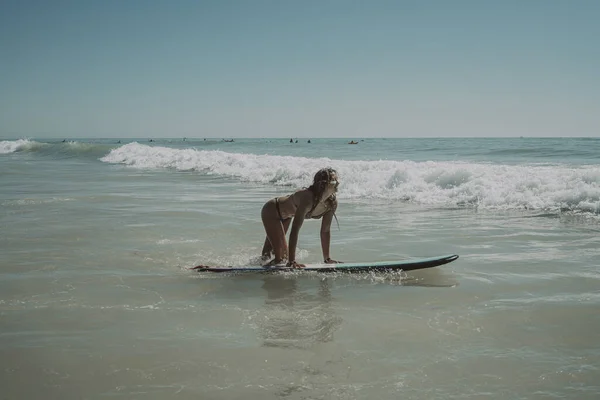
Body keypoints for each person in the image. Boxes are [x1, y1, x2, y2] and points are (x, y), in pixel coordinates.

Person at [260, 168, 341, 268]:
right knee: (281, 258)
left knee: (268, 255)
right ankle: (260, 272)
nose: (338, 183)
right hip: (272, 210)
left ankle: (257, 266)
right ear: (323, 184)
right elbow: (295, 230)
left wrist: (327, 259)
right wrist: (292, 261)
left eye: (338, 180)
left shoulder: (331, 203)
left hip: (287, 216)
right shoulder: (307, 198)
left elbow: (325, 231)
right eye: (334, 181)